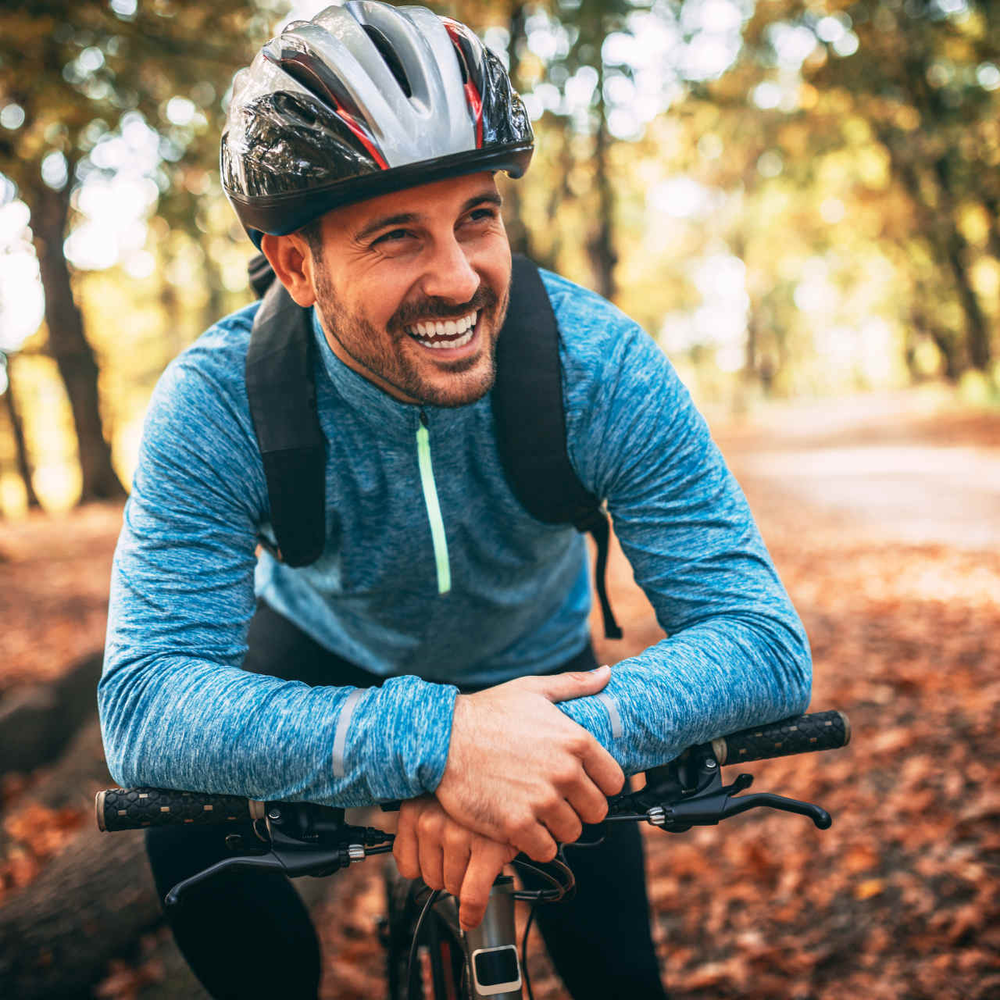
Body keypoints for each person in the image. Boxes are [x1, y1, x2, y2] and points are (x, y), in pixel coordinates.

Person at [98, 3, 812, 998]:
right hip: (325, 658)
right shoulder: (216, 403)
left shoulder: (597, 366)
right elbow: (145, 704)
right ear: (295, 263)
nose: (459, 277)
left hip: (544, 674)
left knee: (619, 974)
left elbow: (762, 640)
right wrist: (436, 746)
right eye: (396, 236)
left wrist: (522, 753)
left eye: (477, 216)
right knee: (186, 836)